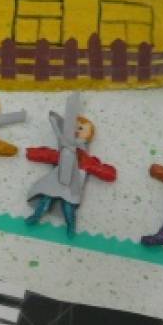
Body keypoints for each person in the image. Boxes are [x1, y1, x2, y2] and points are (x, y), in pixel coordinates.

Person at [24, 93, 117, 236]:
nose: (77, 131)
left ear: (89, 135)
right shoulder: (65, 149)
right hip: (56, 180)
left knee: (68, 207)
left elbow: (99, 169)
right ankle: (36, 216)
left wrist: (107, 172)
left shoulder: (84, 158)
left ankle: (70, 227)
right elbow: (51, 156)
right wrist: (33, 153)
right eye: (75, 127)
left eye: (81, 128)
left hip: (72, 186)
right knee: (46, 198)